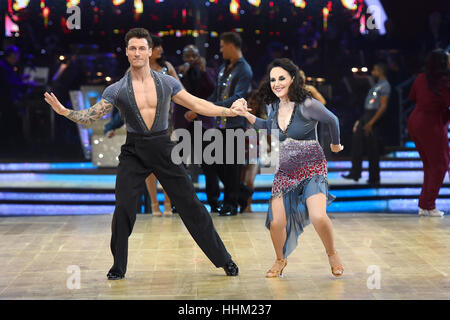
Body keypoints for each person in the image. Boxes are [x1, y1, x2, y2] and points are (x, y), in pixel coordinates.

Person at [44, 28, 239, 280]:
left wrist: (229, 112)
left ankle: (225, 260)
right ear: (127, 52)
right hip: (134, 150)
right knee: (124, 206)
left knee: (191, 205)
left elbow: (197, 103)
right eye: (132, 48)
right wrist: (64, 112)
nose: (137, 52)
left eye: (141, 48)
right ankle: (118, 266)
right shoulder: (116, 89)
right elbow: (91, 114)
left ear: (150, 51)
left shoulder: (167, 82)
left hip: (163, 148)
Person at [231, 58, 344, 278]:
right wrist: (246, 115)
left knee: (319, 217)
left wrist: (335, 144)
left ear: (293, 79)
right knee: (276, 222)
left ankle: (332, 254)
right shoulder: (273, 106)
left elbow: (333, 120)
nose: (276, 83)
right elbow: (267, 126)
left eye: (281, 78)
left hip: (312, 167)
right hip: (285, 170)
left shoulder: (308, 104)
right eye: (273, 79)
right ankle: (280, 260)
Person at [104, 35, 179, 217]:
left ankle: (168, 203)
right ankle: (154, 204)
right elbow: (123, 102)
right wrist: (112, 125)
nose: (160, 50)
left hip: (166, 123)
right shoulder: (131, 73)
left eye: (159, 47)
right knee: (148, 168)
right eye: (157, 46)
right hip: (141, 127)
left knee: (169, 165)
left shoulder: (167, 68)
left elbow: (180, 91)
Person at [208, 31, 254, 216]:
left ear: (231, 45)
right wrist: (203, 105)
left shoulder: (244, 69)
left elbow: (238, 97)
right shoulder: (225, 67)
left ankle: (231, 204)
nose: (220, 50)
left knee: (232, 166)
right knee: (213, 162)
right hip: (220, 124)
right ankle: (242, 193)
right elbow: (217, 93)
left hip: (235, 124)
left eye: (222, 46)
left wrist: (211, 106)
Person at [172, 45, 219, 211]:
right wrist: (180, 74)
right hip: (183, 121)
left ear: (199, 56)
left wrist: (204, 70)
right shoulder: (177, 73)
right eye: (187, 56)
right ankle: (180, 203)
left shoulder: (208, 71)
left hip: (203, 122)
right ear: (183, 57)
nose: (191, 59)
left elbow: (214, 90)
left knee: (209, 164)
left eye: (194, 55)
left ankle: (214, 201)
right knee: (180, 165)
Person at [408, 49, 450, 217]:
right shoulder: (444, 81)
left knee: (430, 165)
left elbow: (412, 97)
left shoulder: (421, 78)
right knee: (440, 165)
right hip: (431, 123)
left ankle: (425, 204)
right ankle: (428, 204)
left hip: (416, 121)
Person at [342, 63, 391, 185]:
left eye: (374, 70)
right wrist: (362, 120)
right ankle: (355, 172)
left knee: (372, 148)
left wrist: (371, 122)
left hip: (373, 116)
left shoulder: (385, 85)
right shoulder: (376, 85)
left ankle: (374, 177)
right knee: (356, 143)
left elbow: (383, 106)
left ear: (380, 71)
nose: (372, 72)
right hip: (367, 114)